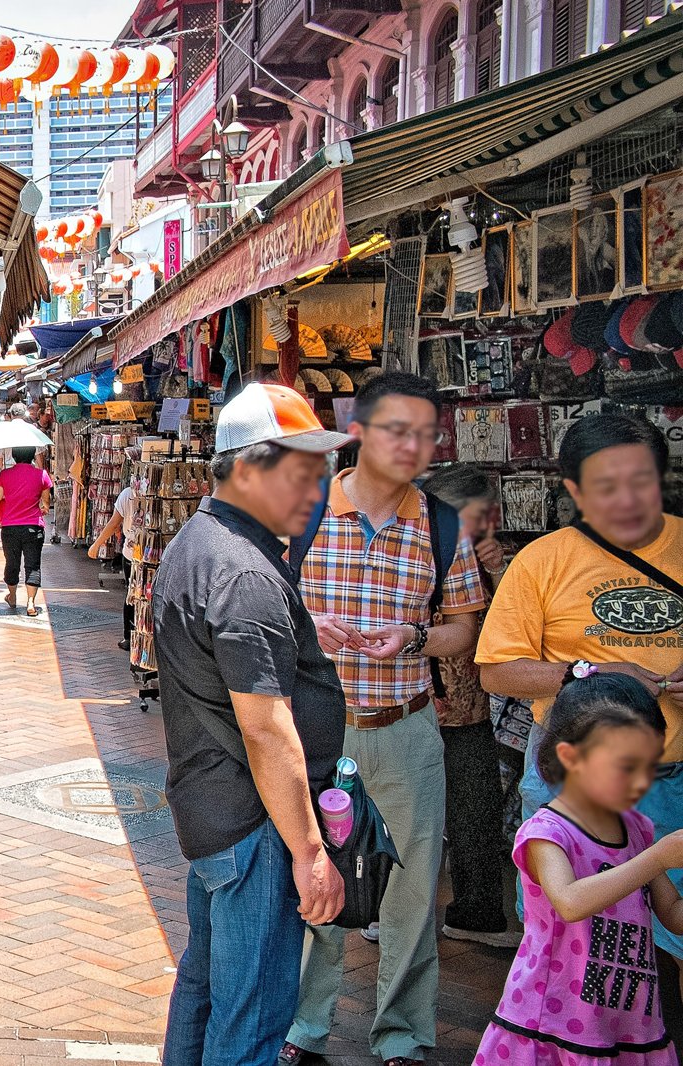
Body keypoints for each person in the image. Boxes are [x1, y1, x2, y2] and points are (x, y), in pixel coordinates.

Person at [282, 372, 489, 1066]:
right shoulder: (302, 510)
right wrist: (311, 626)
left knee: (411, 890)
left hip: (406, 728)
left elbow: (463, 625)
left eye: (426, 433)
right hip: (317, 729)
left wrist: (414, 638)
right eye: (397, 429)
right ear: (359, 432)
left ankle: (402, 1034)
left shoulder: (440, 524)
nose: (413, 446)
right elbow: (259, 612)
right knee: (315, 875)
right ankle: (305, 1028)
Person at [153, 383, 350, 1066]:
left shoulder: (201, 544)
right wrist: (310, 852)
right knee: (250, 1017)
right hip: (254, 827)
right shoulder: (244, 572)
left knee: (206, 992)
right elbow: (267, 729)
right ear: (246, 468)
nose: (313, 493)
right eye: (300, 474)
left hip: (217, 815)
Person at [477, 412, 683, 1038]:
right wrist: (587, 671)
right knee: (579, 951)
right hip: (576, 794)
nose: (625, 499)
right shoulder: (543, 561)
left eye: (639, 481)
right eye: (604, 485)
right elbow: (497, 670)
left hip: (677, 778)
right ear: (572, 490)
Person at [474, 673, 683, 1064]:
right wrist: (659, 856)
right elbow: (570, 901)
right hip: (553, 1021)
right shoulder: (547, 833)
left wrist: (656, 854)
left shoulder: (637, 829)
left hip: (627, 1023)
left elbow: (672, 914)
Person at [420, 464, 520, 948]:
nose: (483, 527)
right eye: (474, 517)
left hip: (471, 709)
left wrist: (498, 570)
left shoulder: (493, 559)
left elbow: (523, 624)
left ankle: (476, 915)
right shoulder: (415, 549)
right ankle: (379, 909)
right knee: (408, 813)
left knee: (475, 813)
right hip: (413, 703)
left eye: (486, 518)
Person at [0, 446, 53, 616]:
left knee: (12, 563)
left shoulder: (5, 474)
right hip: (34, 527)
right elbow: (45, 501)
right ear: (32, 454)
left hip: (10, 527)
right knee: (32, 565)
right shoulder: (41, 474)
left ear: (14, 455)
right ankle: (31, 603)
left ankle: (12, 596)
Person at [89, 463, 139, 651]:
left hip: (132, 554)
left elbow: (113, 524)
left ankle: (129, 637)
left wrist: (97, 545)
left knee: (132, 595)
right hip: (145, 555)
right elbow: (113, 524)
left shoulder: (127, 494)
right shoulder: (130, 494)